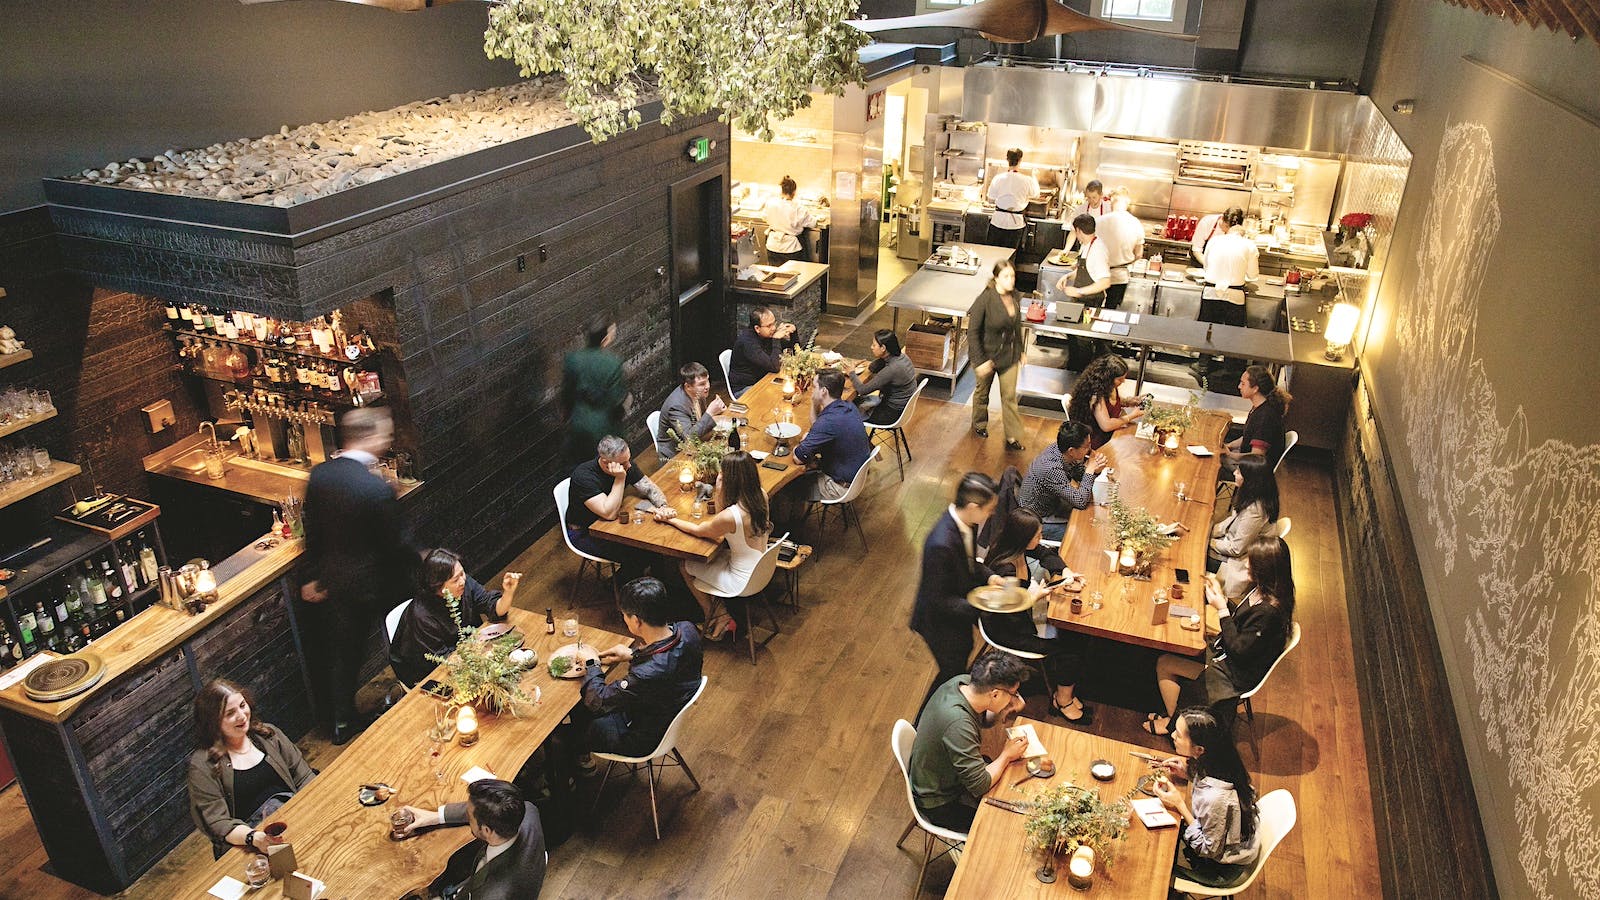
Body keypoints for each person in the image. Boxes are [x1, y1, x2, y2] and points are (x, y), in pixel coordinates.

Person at [300, 406, 412, 744]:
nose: (388, 440)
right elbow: (395, 543)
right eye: (385, 435)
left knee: (343, 654)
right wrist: (421, 558)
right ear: (372, 437)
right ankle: (412, 690)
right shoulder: (375, 488)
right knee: (400, 633)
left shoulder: (320, 475)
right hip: (374, 582)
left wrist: (312, 576)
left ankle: (340, 722)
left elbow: (313, 531)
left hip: (334, 581)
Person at [1145, 536, 1295, 738]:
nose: (1246, 563)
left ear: (1264, 569)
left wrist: (1222, 609)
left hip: (1234, 673)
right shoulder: (1268, 590)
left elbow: (1239, 650)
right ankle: (1176, 717)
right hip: (1228, 655)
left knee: (1165, 663)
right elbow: (1243, 625)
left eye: (1252, 562)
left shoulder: (1269, 612)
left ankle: (1175, 726)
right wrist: (1221, 597)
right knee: (1181, 644)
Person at [978, 507, 1094, 724]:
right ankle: (1062, 701)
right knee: (1070, 648)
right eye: (1037, 535)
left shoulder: (1018, 549)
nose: (1040, 539)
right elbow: (1007, 615)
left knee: (1076, 634)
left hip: (1023, 616)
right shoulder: (1005, 570)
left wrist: (1065, 573)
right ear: (1022, 538)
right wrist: (1035, 597)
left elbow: (1045, 553)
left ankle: (1065, 691)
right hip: (1008, 631)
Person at [186, 679, 315, 858]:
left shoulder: (268, 734)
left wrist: (311, 809)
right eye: (230, 713)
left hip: (294, 816)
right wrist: (253, 838)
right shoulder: (202, 765)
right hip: (248, 842)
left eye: (242, 705)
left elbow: (303, 776)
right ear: (213, 722)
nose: (242, 716)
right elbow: (218, 822)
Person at [577, 576, 704, 757]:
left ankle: (574, 763)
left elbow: (599, 701)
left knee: (565, 735)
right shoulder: (688, 629)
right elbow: (670, 659)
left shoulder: (646, 674)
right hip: (664, 709)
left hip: (641, 737)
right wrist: (633, 654)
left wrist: (591, 663)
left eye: (625, 615)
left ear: (636, 620)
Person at [907, 650, 1032, 832]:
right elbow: (980, 785)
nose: (1015, 697)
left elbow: (983, 720)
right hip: (939, 799)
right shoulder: (958, 724)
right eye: (1013, 693)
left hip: (945, 774)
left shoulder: (962, 683)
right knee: (1005, 826)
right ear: (995, 694)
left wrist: (1004, 709)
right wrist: (1006, 755)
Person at [910, 473, 999, 706]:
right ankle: (925, 723)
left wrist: (989, 577)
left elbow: (969, 563)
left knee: (959, 660)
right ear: (972, 507)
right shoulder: (940, 543)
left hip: (954, 612)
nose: (990, 515)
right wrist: (984, 606)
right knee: (951, 672)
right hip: (938, 621)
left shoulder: (964, 523)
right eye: (988, 510)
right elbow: (938, 600)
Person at [667, 451, 773, 641]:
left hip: (741, 580)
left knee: (684, 565)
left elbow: (699, 530)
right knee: (715, 555)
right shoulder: (761, 496)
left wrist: (671, 519)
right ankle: (720, 614)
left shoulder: (731, 516)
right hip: (761, 569)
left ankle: (717, 615)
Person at [1151, 708, 1262, 888]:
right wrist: (1188, 772)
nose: (1172, 735)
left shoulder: (1215, 797)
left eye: (1178, 735)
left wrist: (1179, 804)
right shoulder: (1222, 762)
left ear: (1199, 749)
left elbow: (1207, 849)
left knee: (1153, 865)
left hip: (1219, 868)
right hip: (1226, 841)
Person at [395, 778, 547, 900]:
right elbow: (483, 810)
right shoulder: (527, 812)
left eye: (469, 816)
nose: (467, 815)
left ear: (487, 830)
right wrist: (434, 817)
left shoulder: (493, 895)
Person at [389, 549, 520, 689]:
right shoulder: (422, 616)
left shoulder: (463, 584)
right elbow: (443, 661)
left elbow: (492, 606)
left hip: (468, 652)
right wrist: (481, 654)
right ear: (438, 586)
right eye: (455, 580)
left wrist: (508, 592)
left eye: (462, 573)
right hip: (430, 672)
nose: (463, 581)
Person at [566, 435, 676, 583]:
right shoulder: (584, 477)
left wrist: (663, 507)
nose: (629, 466)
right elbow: (609, 513)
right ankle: (620, 586)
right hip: (585, 532)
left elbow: (649, 489)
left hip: (613, 525)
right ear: (605, 462)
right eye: (623, 463)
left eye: (629, 460)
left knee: (656, 542)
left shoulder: (625, 464)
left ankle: (660, 585)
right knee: (644, 552)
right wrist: (620, 478)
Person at [789, 369, 873, 505]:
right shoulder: (848, 407)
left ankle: (788, 524)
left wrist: (798, 446)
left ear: (824, 391)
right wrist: (814, 403)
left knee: (786, 487)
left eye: (814, 387)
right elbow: (817, 426)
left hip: (838, 487)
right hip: (853, 477)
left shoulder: (829, 422)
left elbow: (798, 458)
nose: (811, 390)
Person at [968, 259, 1027, 451]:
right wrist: (979, 361)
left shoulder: (1015, 296)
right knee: (982, 393)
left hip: (1009, 356)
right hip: (987, 356)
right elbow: (973, 332)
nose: (1011, 280)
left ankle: (1012, 436)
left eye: (1013, 276)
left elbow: (1016, 327)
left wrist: (1021, 350)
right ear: (996, 278)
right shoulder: (985, 300)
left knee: (1009, 396)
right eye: (1006, 276)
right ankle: (979, 424)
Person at [1019, 420, 1110, 542]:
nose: (1090, 449)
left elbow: (1077, 473)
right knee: (1085, 532)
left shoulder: (1060, 450)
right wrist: (1090, 470)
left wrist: (1095, 470)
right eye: (1086, 446)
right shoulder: (1051, 468)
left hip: (1054, 504)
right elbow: (1080, 502)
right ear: (1071, 450)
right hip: (1038, 519)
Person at [1208, 455, 1279, 600]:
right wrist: (1210, 532)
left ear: (1251, 480)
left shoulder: (1256, 510)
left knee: (1193, 551)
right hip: (1233, 548)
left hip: (1238, 561)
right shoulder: (1253, 495)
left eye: (1239, 472)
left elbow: (1236, 549)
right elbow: (1230, 521)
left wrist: (1210, 542)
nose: (1234, 473)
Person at [560, 314, 626, 465]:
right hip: (604, 426)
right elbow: (616, 399)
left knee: (582, 466)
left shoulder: (573, 359)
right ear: (605, 339)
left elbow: (566, 393)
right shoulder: (612, 363)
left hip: (579, 423)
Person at [1223, 365, 1292, 475]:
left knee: (1210, 462)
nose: (1239, 386)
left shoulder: (1265, 417)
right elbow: (1248, 437)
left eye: (1243, 383)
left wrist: (1230, 455)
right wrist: (1229, 445)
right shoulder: (1259, 407)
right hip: (1248, 460)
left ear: (1255, 389)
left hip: (1254, 471)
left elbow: (1256, 457)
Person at [1067, 354, 1146, 450]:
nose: (1123, 381)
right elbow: (1106, 425)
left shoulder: (1108, 387)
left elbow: (1112, 402)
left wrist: (1129, 402)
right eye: (1120, 379)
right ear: (1108, 378)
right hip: (1098, 441)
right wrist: (1131, 416)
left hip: (1112, 433)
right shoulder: (1096, 395)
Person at [1199, 208, 1258, 328]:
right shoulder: (1250, 245)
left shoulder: (1214, 241)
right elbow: (1253, 275)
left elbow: (1206, 267)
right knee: (1231, 340)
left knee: (1205, 335)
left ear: (1226, 223)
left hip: (1211, 294)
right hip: (1235, 297)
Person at [656, 361, 727, 458]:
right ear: (688, 386)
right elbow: (689, 437)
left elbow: (699, 421)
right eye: (702, 384)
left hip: (697, 443)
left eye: (707, 381)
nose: (708, 386)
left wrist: (716, 412)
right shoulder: (676, 406)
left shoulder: (698, 393)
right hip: (676, 454)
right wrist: (710, 413)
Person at [847, 329, 917, 425]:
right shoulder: (901, 357)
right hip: (900, 407)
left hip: (890, 414)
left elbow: (862, 390)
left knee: (844, 411)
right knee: (853, 403)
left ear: (883, 348)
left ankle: (856, 438)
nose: (871, 347)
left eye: (874, 345)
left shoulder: (892, 369)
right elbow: (872, 367)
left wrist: (851, 372)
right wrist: (882, 357)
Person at [728, 306, 798, 396]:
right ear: (757, 328)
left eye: (774, 323)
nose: (773, 328)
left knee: (793, 388)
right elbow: (774, 367)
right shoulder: (747, 342)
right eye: (769, 326)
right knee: (778, 396)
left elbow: (794, 353)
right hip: (745, 388)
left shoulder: (767, 334)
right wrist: (776, 339)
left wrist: (793, 333)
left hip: (763, 379)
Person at [1097, 188, 1145, 310]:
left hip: (1097, 274)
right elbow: (1139, 254)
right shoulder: (1136, 223)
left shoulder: (1098, 222)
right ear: (1127, 203)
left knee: (1091, 312)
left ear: (1111, 201)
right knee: (1110, 313)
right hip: (1119, 277)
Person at [985, 148, 1038, 251]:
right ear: (1020, 160)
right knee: (1010, 258)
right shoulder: (1026, 180)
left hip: (998, 222)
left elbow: (990, 199)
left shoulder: (998, 178)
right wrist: (1035, 176)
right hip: (1016, 225)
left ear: (1007, 159)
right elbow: (1035, 194)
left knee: (992, 255)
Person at [1054, 213, 1111, 309]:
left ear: (1078, 231)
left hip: (1091, 304)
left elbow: (1105, 282)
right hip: (1080, 302)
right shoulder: (1086, 244)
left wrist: (1078, 291)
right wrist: (1067, 276)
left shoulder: (1097, 251)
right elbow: (1085, 270)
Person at [763, 175, 816, 266]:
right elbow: (812, 223)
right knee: (794, 276)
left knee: (775, 276)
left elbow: (764, 217)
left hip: (772, 246)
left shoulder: (771, 203)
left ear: (782, 190)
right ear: (794, 192)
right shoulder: (798, 208)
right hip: (791, 248)